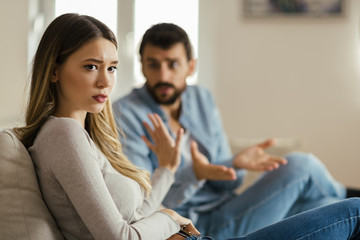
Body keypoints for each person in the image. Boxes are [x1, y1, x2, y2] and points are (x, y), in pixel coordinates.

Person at [14, 13, 360, 240]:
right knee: (345, 205)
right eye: (91, 67)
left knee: (322, 197)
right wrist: (173, 216)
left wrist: (188, 167)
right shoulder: (67, 132)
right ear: (55, 69)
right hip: (197, 225)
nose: (106, 82)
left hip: (208, 217)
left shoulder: (86, 134)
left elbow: (135, 213)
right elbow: (121, 235)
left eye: (112, 68)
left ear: (190, 66)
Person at [112, 22, 360, 239]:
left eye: (172, 64)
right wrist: (194, 175)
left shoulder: (201, 99)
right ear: (142, 66)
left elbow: (231, 184)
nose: (163, 75)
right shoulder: (125, 114)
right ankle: (349, 190)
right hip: (192, 225)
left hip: (232, 206)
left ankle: (343, 195)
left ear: (191, 66)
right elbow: (145, 203)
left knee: (328, 205)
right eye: (153, 65)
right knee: (300, 165)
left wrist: (235, 165)